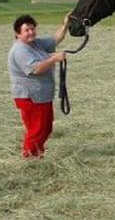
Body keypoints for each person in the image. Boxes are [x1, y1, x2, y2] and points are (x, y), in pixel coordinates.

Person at [7, 14, 69, 158]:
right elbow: (35, 69)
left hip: (41, 95)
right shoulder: (20, 50)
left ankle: (36, 152)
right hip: (30, 96)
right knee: (37, 129)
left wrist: (65, 25)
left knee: (45, 127)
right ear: (18, 34)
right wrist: (54, 59)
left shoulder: (34, 44)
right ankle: (29, 157)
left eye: (32, 29)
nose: (31, 32)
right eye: (26, 30)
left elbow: (54, 40)